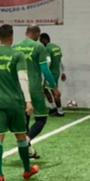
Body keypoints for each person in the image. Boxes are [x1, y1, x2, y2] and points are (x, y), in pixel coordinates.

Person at [0, 23, 38, 181]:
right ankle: (27, 170)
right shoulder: (17, 55)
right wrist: (28, 101)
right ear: (12, 37)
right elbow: (23, 78)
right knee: (21, 136)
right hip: (15, 102)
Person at [14, 25, 54, 157]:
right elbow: (45, 69)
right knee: (41, 118)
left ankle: (28, 150)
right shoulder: (39, 47)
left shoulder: (15, 47)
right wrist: (53, 86)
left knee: (24, 119)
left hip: (19, 88)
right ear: (36, 33)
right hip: (34, 87)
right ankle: (26, 140)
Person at [39, 31, 66, 115]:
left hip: (50, 74)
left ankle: (60, 111)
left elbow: (48, 62)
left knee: (54, 91)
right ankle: (53, 107)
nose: (41, 43)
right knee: (45, 89)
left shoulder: (47, 49)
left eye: (41, 41)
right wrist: (63, 72)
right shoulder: (57, 47)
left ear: (44, 40)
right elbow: (60, 61)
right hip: (56, 72)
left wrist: (44, 73)